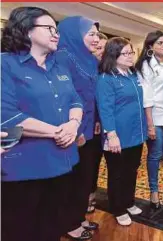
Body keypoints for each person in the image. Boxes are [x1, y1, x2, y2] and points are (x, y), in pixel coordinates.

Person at [1, 7, 84, 241]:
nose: (56, 33)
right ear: (26, 30)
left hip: (64, 163)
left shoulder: (59, 65)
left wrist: (73, 123)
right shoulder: (5, 64)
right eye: (49, 28)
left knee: (52, 228)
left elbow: (75, 100)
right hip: (25, 168)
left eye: (57, 29)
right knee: (22, 231)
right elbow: (5, 114)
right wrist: (58, 131)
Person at [56, 15, 101, 239]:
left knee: (85, 178)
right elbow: (64, 99)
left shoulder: (91, 59)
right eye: (91, 34)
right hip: (72, 131)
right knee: (71, 181)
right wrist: (77, 131)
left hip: (90, 128)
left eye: (97, 34)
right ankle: (68, 223)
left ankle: (79, 217)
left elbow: (92, 96)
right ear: (75, 34)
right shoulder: (62, 58)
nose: (96, 39)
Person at [96, 37, 147, 226]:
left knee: (131, 171)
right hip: (117, 136)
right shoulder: (106, 78)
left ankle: (128, 201)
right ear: (113, 55)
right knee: (117, 173)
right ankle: (117, 208)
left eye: (131, 52)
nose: (129, 56)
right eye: (124, 53)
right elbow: (105, 108)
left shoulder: (132, 75)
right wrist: (111, 134)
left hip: (136, 134)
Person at [135, 30, 163, 209]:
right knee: (154, 155)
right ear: (150, 46)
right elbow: (146, 97)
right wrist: (150, 125)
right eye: (160, 43)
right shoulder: (145, 66)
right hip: (154, 116)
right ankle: (154, 190)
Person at [88, 31, 108, 213]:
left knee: (98, 162)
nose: (102, 51)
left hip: (106, 126)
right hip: (90, 125)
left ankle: (92, 194)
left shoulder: (108, 70)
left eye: (105, 48)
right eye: (98, 47)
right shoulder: (87, 69)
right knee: (90, 162)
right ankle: (88, 197)